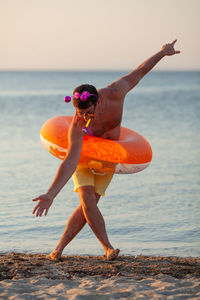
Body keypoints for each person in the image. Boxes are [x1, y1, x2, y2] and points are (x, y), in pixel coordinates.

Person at [32, 40, 180, 260]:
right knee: (87, 201)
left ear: (98, 102)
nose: (83, 118)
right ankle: (108, 248)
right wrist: (51, 194)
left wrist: (162, 53)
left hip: (109, 158)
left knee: (87, 207)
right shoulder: (77, 124)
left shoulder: (116, 91)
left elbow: (140, 72)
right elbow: (70, 160)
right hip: (84, 157)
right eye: (79, 113)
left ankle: (58, 250)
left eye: (88, 112)